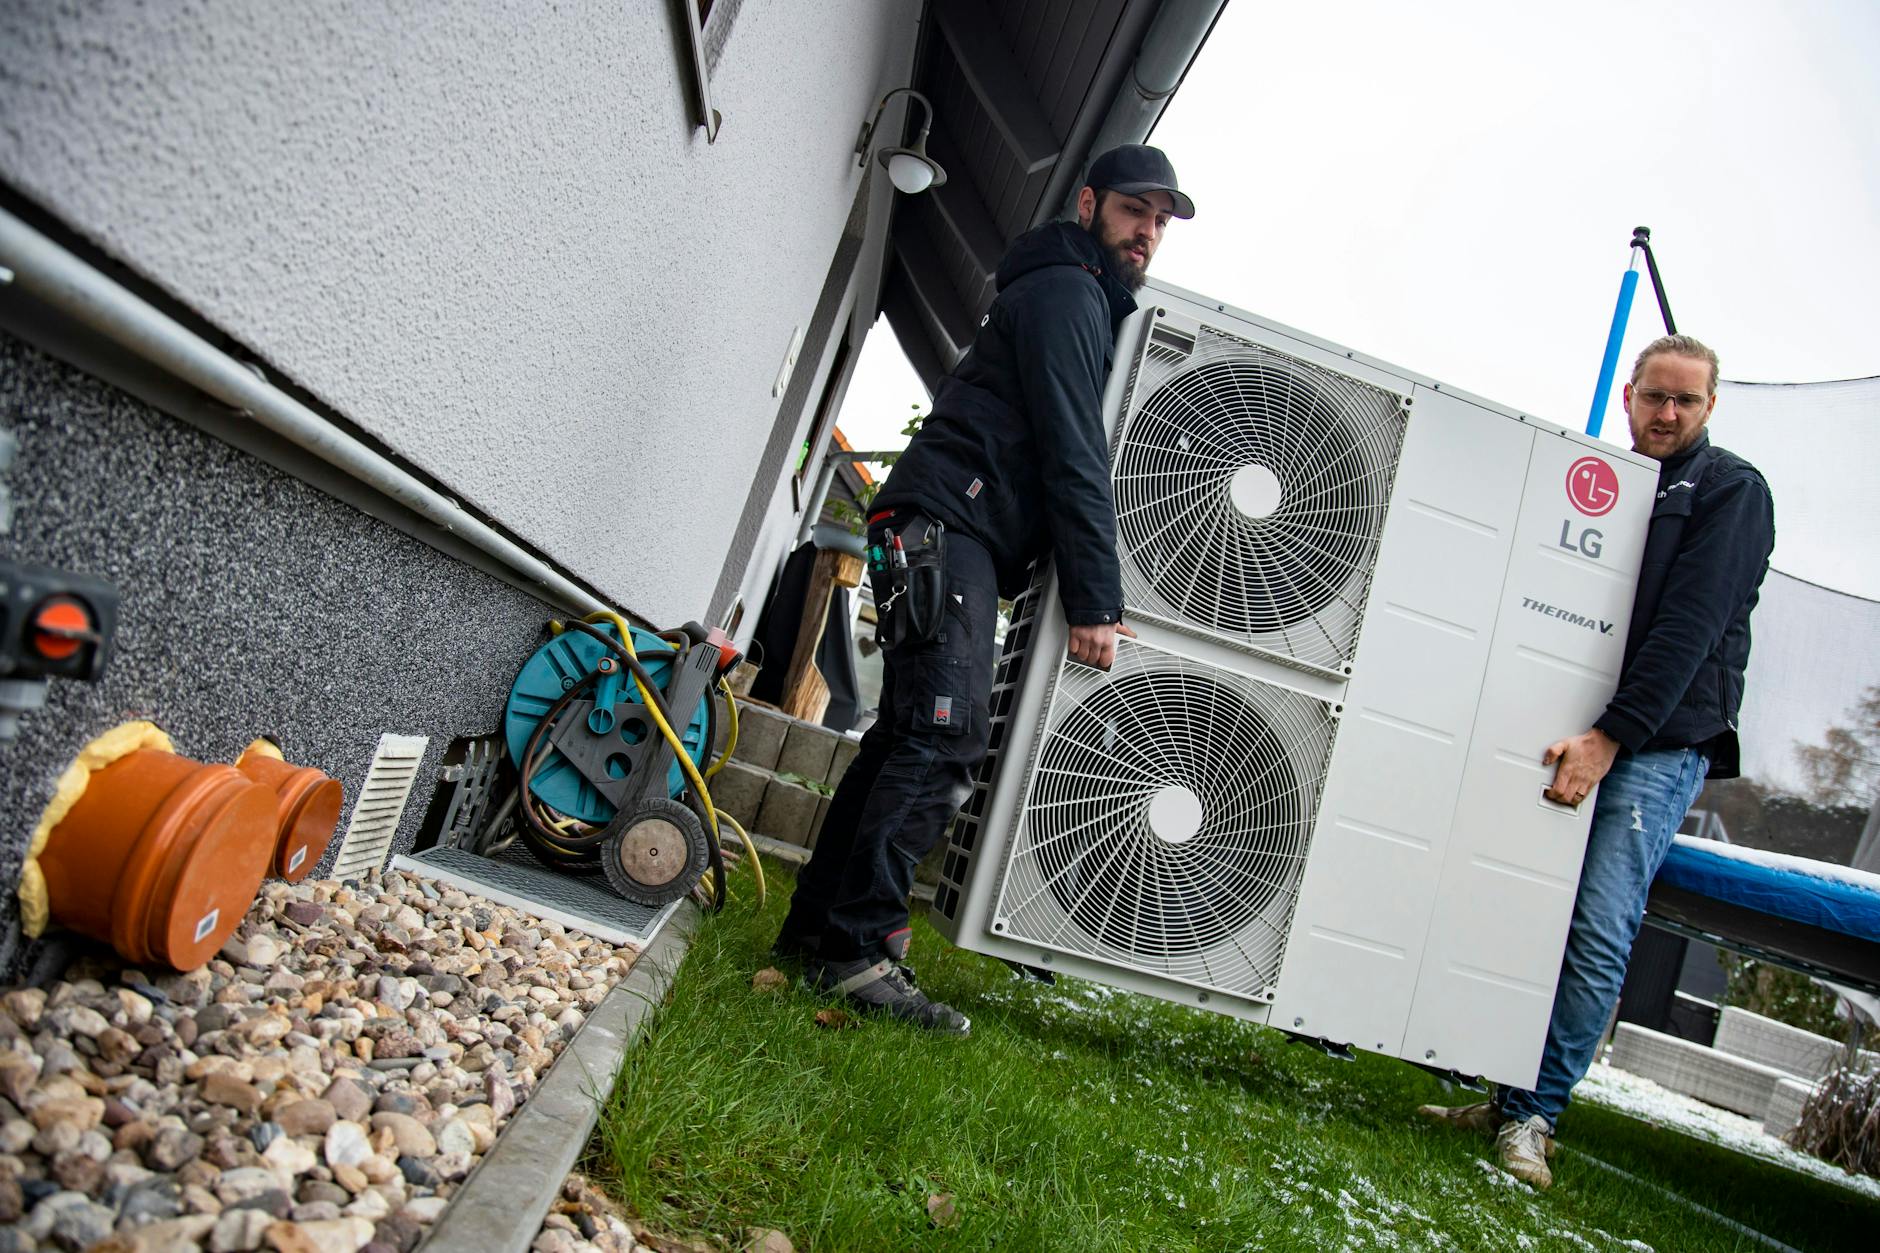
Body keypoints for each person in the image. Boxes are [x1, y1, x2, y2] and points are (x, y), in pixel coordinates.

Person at [771, 145, 1197, 1033]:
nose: (1147, 232)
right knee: (941, 736)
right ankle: (859, 951)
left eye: (1160, 221)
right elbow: (1073, 448)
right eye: (1134, 211)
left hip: (934, 525)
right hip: (945, 529)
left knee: (905, 736)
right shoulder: (1068, 295)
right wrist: (1095, 600)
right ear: (1089, 205)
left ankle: (817, 934)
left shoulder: (1066, 291)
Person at [1419, 334, 1775, 1188]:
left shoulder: (1732, 490)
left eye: (1685, 401)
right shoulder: (1613, 486)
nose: (1666, 413)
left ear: (1710, 407)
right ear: (1628, 395)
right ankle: (1505, 1093)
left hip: (1652, 747)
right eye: (1654, 396)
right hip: (1577, 728)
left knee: (1594, 928)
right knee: (1529, 908)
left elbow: (1688, 631)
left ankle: (1536, 1115)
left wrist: (1611, 736)